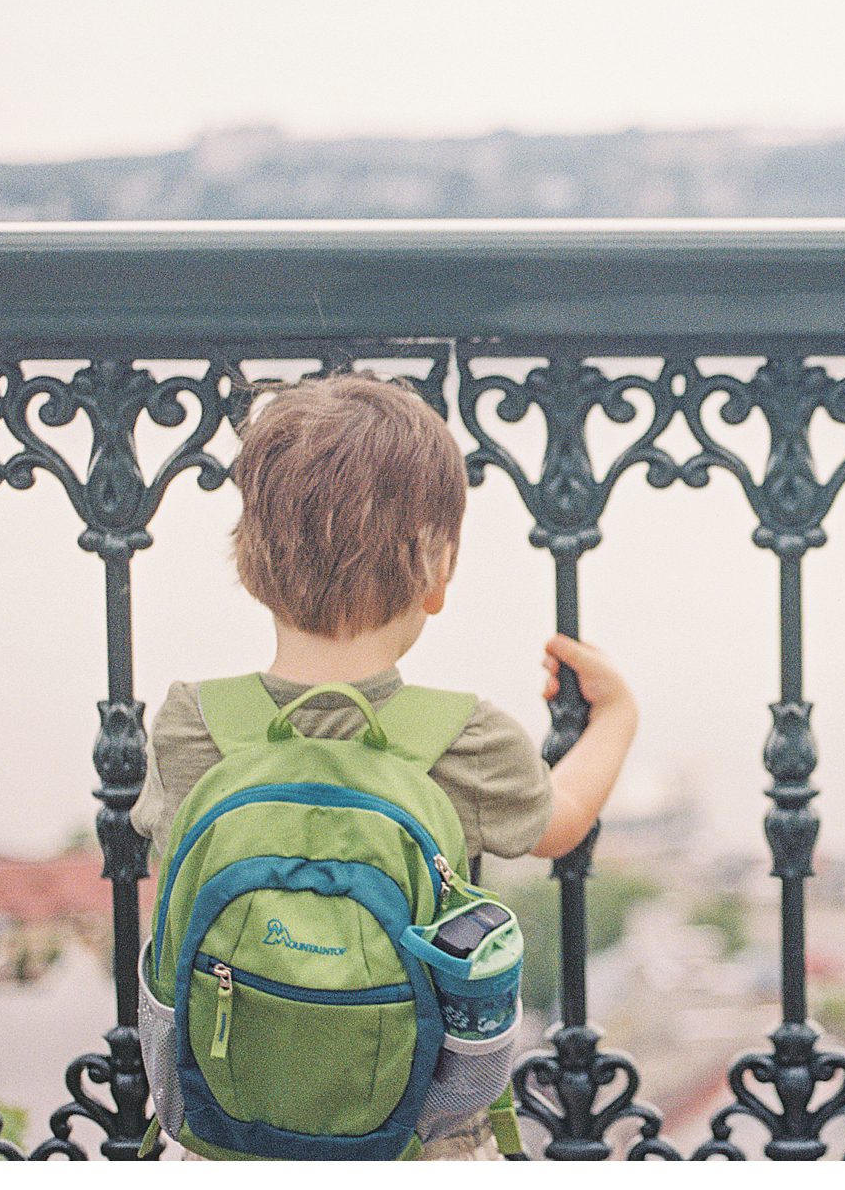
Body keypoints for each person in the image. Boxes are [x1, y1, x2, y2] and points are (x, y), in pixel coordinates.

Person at [131, 372, 639, 1160]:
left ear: (251, 558)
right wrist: (616, 716)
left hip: (218, 1135)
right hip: (420, 1146)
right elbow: (561, 825)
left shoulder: (192, 722)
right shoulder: (463, 735)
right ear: (436, 569)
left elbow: (167, 885)